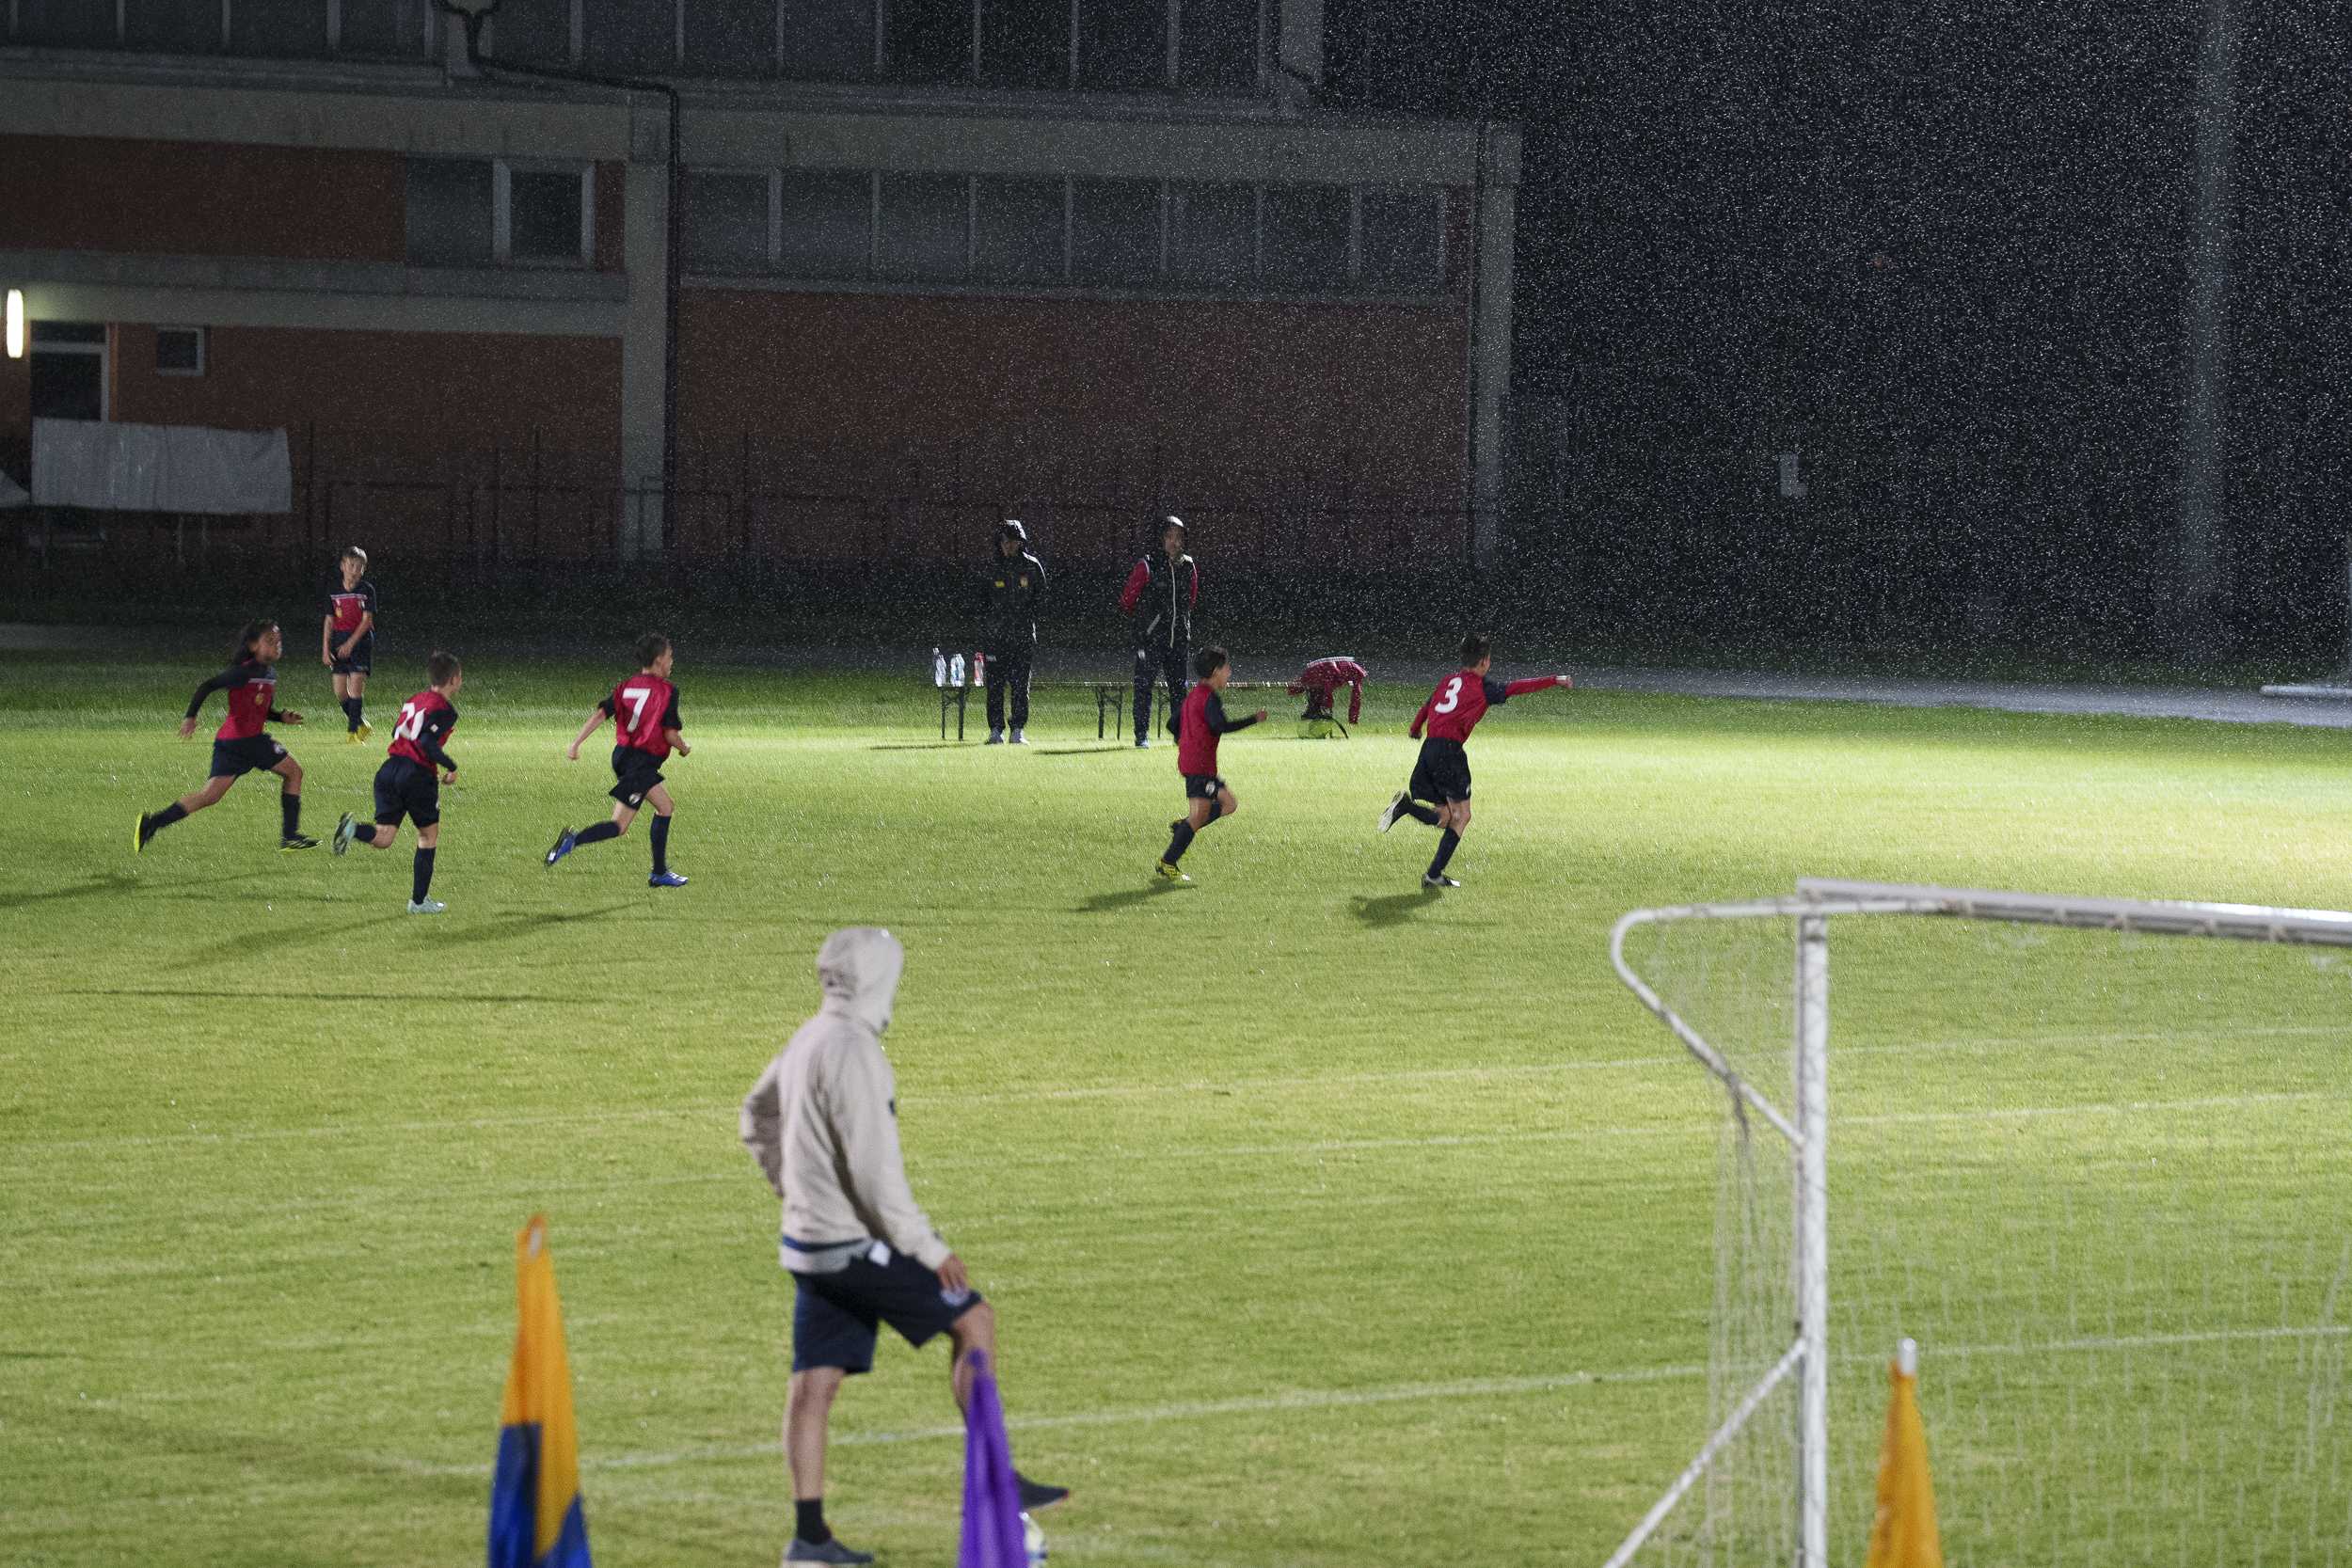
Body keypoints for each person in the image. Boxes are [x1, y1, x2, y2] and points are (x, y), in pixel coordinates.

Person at [739, 928, 1068, 1566]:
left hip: (806, 1244)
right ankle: (998, 1481)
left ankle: (809, 1539)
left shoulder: (808, 1036)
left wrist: (791, 1187)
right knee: (974, 1318)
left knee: (814, 1382)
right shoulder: (856, 1050)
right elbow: (875, 1175)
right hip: (852, 1245)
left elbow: (755, 1114)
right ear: (876, 978)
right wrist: (928, 1248)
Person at [1378, 635, 1573, 888]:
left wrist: (1415, 729)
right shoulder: (1483, 687)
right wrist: (1554, 680)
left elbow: (1427, 707)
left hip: (1429, 750)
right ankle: (1410, 818)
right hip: (1450, 753)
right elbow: (1516, 687)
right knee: (1462, 816)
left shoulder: (1447, 681)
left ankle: (1431, 868)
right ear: (1484, 661)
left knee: (1445, 817)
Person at [135, 620, 315, 854]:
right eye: (270, 641)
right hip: (247, 741)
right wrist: (190, 717)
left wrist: (281, 717)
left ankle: (151, 823)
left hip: (231, 743)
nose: (277, 645)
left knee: (209, 796)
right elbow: (207, 686)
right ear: (253, 645)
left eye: (278, 641)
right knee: (294, 772)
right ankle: (290, 837)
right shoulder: (243, 672)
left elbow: (260, 710)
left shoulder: (269, 674)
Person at [545, 633, 691, 888]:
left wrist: (576, 743)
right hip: (640, 762)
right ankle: (657, 872)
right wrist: (683, 748)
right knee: (647, 815)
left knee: (641, 816)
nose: (672, 661)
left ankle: (656, 871)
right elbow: (670, 734)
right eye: (669, 656)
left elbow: (601, 714)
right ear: (658, 660)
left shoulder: (626, 686)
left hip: (623, 755)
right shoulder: (667, 691)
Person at [333, 650, 462, 914]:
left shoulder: (414, 700)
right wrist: (451, 767)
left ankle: (352, 829)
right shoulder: (445, 709)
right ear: (453, 679)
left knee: (384, 838)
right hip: (416, 775)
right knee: (427, 836)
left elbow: (397, 731)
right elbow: (426, 743)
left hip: (389, 770)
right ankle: (418, 902)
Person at [1155, 645, 1265, 882]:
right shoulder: (1208, 697)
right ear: (1216, 671)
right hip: (1199, 767)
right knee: (1204, 814)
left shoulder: (1195, 694)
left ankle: (1183, 828)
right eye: (1227, 668)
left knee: (1229, 804)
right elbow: (1220, 726)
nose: (1229, 672)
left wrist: (1185, 741)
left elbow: (1172, 724)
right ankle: (1168, 861)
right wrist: (1254, 719)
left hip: (1197, 764)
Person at [1119, 515, 1198, 748]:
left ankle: (1180, 736)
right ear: (1160, 539)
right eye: (1170, 536)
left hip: (1178, 638)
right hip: (1151, 640)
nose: (1175, 542)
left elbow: (1191, 601)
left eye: (1179, 537)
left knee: (1179, 689)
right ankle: (1141, 735)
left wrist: (1179, 623)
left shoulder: (1189, 566)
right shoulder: (1147, 565)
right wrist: (1147, 625)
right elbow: (1127, 600)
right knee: (1144, 687)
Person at [977, 518, 1047, 745]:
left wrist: (1026, 619)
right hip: (995, 637)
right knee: (994, 686)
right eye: (1005, 541)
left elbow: (1041, 599)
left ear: (1020, 542)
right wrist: (990, 624)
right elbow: (980, 601)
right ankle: (995, 730)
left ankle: (1017, 729)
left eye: (1013, 541)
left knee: (1020, 685)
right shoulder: (991, 568)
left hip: (1023, 636)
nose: (1009, 545)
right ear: (999, 543)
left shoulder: (1031, 566)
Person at [322, 545, 378, 741]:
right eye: (351, 565)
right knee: (340, 692)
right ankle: (361, 723)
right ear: (342, 566)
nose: (355, 570)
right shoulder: (333, 590)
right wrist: (325, 649)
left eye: (359, 567)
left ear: (364, 569)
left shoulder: (367, 590)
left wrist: (351, 644)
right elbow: (329, 621)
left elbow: (367, 621)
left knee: (355, 688)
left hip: (361, 641)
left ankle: (353, 734)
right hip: (339, 640)